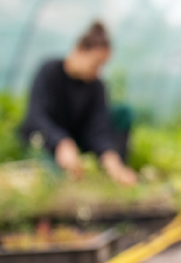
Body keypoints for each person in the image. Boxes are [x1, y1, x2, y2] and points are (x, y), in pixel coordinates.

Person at [19, 21, 138, 187]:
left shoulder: (96, 86)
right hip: (48, 141)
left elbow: (98, 127)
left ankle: (113, 170)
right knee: (49, 175)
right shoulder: (50, 71)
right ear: (80, 49)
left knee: (122, 112)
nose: (98, 71)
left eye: (102, 65)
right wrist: (60, 141)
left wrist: (110, 157)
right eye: (96, 63)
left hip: (77, 143)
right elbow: (36, 116)